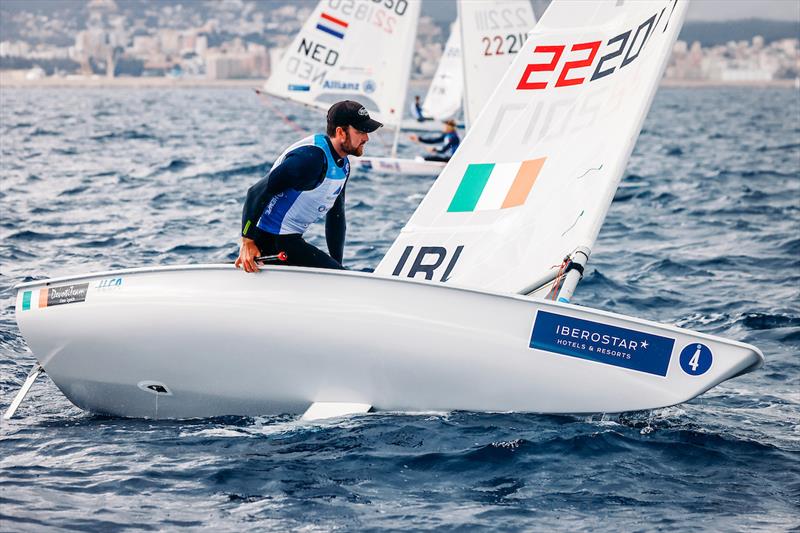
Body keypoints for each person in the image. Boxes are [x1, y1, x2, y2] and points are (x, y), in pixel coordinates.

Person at [235, 100, 382, 273]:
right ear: (341, 132)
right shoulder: (310, 159)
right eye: (360, 132)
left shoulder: (343, 165)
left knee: (338, 274)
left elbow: (336, 216)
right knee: (337, 278)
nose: (366, 138)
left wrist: (337, 267)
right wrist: (248, 242)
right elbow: (255, 192)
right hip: (272, 242)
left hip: (290, 240)